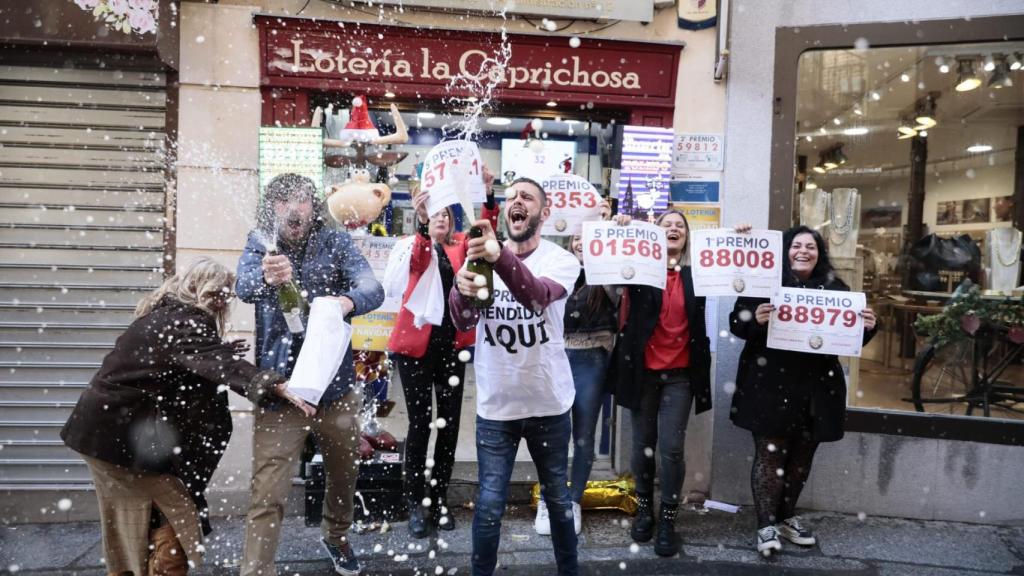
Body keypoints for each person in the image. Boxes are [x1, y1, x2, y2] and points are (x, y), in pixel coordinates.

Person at [61, 258, 309, 576]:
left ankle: (134, 567)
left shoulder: (164, 317)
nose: (226, 300)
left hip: (103, 435)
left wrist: (217, 349)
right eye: (223, 293)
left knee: (131, 517)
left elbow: (193, 357)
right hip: (118, 441)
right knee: (180, 512)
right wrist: (274, 384)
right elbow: (209, 358)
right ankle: (163, 567)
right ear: (205, 291)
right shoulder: (183, 323)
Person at [236, 173, 384, 576]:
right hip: (280, 391)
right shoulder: (259, 243)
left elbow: (373, 288)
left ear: (313, 206)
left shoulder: (334, 241)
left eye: (301, 200)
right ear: (273, 208)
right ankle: (256, 570)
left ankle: (336, 536)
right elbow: (242, 287)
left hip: (335, 388)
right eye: (284, 202)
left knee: (343, 474)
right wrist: (266, 277)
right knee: (268, 491)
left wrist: (347, 300)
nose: (294, 209)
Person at [450, 177, 581, 576]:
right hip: (497, 407)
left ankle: (569, 571)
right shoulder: (483, 257)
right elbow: (465, 320)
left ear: (544, 211)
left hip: (548, 404)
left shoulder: (562, 260)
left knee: (558, 501)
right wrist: (460, 290)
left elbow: (537, 296)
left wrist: (499, 257)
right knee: (489, 506)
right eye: (510, 198)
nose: (515, 203)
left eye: (526, 197)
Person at [729, 225, 876, 556]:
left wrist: (869, 326)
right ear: (785, 251)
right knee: (770, 455)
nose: (803, 251)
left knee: (800, 459)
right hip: (769, 386)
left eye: (811, 247)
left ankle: (785, 518)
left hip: (816, 389)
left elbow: (851, 338)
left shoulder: (836, 288)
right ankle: (765, 526)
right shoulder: (763, 283)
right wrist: (757, 318)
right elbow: (737, 325)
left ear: (819, 253)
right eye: (796, 246)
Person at [387, 169, 499, 538]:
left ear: (452, 220)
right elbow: (419, 263)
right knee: (420, 425)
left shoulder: (463, 245)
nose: (439, 217)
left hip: (453, 346)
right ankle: (416, 504)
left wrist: (487, 195)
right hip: (415, 349)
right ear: (424, 217)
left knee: (448, 426)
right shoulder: (411, 244)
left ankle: (439, 500)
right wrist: (421, 228)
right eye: (433, 213)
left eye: (445, 214)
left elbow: (487, 238)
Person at [606, 208, 712, 558]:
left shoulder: (700, 276)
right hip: (644, 374)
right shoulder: (641, 270)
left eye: (679, 225)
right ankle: (644, 510)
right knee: (641, 446)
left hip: (680, 376)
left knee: (671, 448)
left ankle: (667, 518)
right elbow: (611, 263)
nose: (673, 229)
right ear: (654, 234)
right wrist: (617, 227)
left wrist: (741, 237)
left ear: (686, 236)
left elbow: (739, 274)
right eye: (666, 224)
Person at [535, 229, 618, 536]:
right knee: (552, 433)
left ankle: (573, 501)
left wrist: (612, 235)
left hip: (591, 359)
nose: (582, 243)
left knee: (583, 435)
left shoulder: (606, 274)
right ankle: (549, 499)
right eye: (577, 239)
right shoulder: (557, 268)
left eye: (589, 238)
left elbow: (619, 291)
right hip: (557, 355)